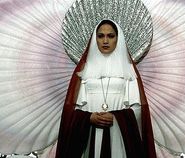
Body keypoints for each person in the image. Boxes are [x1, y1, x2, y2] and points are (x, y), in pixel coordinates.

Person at [55, 20, 156, 158]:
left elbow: (138, 108)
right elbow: (73, 109)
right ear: (95, 39)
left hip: (119, 136)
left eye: (111, 36)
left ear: (118, 38)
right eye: (101, 36)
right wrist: (88, 117)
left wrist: (116, 117)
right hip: (90, 134)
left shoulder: (128, 69)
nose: (105, 41)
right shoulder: (85, 69)